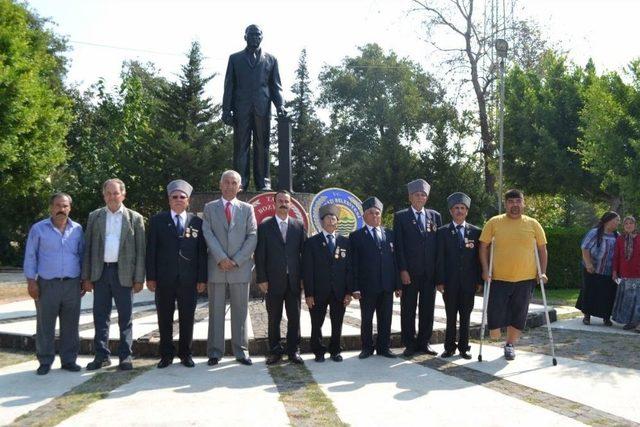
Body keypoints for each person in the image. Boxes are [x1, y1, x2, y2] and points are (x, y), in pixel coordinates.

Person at [82, 179, 146, 371]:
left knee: (125, 318)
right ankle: (101, 356)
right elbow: (88, 249)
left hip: (124, 274)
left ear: (123, 195)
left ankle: (126, 357)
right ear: (104, 195)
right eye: (108, 193)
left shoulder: (135, 218)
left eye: (115, 193)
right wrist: (86, 277)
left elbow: (141, 252)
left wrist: (138, 278)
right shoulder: (95, 216)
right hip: (100, 273)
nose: (112, 197)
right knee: (100, 317)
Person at [479, 189, 547, 361]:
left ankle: (510, 345)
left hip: (525, 278)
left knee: (519, 313)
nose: (515, 205)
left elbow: (542, 249)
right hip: (499, 277)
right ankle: (495, 334)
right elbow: (483, 246)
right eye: (511, 202)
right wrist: (486, 269)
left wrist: (543, 272)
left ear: (523, 203)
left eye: (518, 201)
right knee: (495, 312)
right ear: (506, 204)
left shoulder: (533, 224)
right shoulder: (495, 222)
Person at [146, 180, 208, 368]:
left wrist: (202, 278)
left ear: (188, 201)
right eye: (175, 197)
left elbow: (201, 253)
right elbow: (151, 251)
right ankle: (166, 355)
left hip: (189, 280)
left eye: (183, 197)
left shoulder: (197, 222)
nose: (178, 200)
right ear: (169, 200)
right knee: (164, 317)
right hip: (164, 279)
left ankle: (185, 353)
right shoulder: (157, 221)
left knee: (187, 317)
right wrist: (151, 277)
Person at [24, 193, 84, 375]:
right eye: (58, 206)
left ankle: (69, 360)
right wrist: (31, 281)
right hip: (46, 284)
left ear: (70, 208)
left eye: (65, 206)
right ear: (51, 208)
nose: (61, 209)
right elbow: (30, 256)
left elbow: (82, 255)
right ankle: (45, 360)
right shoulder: (38, 229)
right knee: (45, 325)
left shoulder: (78, 229)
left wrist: (84, 279)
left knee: (71, 325)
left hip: (71, 284)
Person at [202, 170, 257, 366]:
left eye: (234, 182)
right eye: (226, 182)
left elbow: (252, 235)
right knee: (215, 311)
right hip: (217, 267)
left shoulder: (247, 209)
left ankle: (241, 351)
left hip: (240, 268)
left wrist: (237, 260)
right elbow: (207, 233)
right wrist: (221, 258)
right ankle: (215, 351)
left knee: (240, 312)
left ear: (239, 187)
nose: (229, 185)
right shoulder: (209, 208)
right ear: (220, 185)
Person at [222, 24, 286, 191]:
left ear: (262, 37)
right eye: (251, 35)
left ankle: (263, 182)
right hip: (240, 108)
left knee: (262, 145)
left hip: (262, 108)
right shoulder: (235, 58)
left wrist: (280, 105)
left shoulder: (271, 59)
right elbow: (229, 85)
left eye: (257, 35)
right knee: (240, 146)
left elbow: (276, 86)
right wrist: (225, 109)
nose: (254, 38)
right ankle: (239, 182)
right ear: (245, 37)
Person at [255, 190, 306, 365]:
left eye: (287, 201)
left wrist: (303, 278)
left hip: (294, 281)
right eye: (280, 201)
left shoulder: (298, 226)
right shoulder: (264, 227)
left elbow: (304, 254)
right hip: (273, 281)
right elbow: (260, 255)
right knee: (273, 318)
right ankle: (274, 351)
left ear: (290, 204)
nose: (284, 203)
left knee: (295, 317)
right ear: (274, 203)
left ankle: (294, 350)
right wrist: (261, 278)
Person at [393, 179, 442, 356]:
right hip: (410, 273)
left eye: (423, 195)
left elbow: (438, 246)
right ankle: (409, 343)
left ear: (426, 198)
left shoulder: (435, 216)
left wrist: (438, 273)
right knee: (408, 308)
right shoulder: (401, 217)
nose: (420, 197)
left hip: (429, 273)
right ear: (410, 197)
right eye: (416, 194)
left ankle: (424, 342)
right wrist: (403, 270)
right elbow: (398, 246)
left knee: (428, 309)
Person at [350, 197, 401, 359]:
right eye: (371, 213)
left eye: (377, 213)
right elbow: (353, 264)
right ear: (364, 216)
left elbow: (395, 261)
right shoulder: (356, 236)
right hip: (367, 286)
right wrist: (355, 287)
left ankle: (383, 347)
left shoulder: (390, 234)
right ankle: (366, 348)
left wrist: (398, 285)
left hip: (387, 285)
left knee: (385, 319)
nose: (374, 216)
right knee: (367, 319)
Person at [302, 204, 353, 362]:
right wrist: (309, 294)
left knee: (337, 323)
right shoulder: (312, 242)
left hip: (339, 290)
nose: (332, 220)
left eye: (334, 218)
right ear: (322, 221)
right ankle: (318, 351)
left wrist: (348, 292)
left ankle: (335, 350)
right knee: (316, 323)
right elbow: (307, 270)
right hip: (318, 291)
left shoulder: (345, 242)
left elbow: (349, 269)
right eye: (328, 217)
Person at [436, 192, 482, 359]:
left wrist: (479, 280)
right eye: (456, 208)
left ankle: (464, 347)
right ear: (451, 211)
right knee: (450, 316)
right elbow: (439, 259)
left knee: (466, 316)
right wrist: (439, 281)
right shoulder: (442, 232)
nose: (459, 211)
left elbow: (478, 259)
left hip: (469, 283)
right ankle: (449, 347)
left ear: (467, 211)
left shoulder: (476, 232)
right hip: (449, 283)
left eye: (462, 208)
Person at [576, 211, 620, 326]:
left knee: (608, 295)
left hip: (609, 272)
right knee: (590, 292)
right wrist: (589, 264)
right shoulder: (594, 233)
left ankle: (606, 318)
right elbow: (585, 248)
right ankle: (587, 316)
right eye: (616, 220)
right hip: (592, 269)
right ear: (608, 221)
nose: (618, 223)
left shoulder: (617, 235)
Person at [612, 216, 640, 329]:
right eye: (626, 223)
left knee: (638, 301)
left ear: (635, 225)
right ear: (623, 226)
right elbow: (616, 257)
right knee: (628, 300)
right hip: (625, 274)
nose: (629, 225)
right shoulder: (620, 239)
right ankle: (631, 322)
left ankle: (638, 324)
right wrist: (614, 271)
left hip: (638, 274)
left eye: (631, 223)